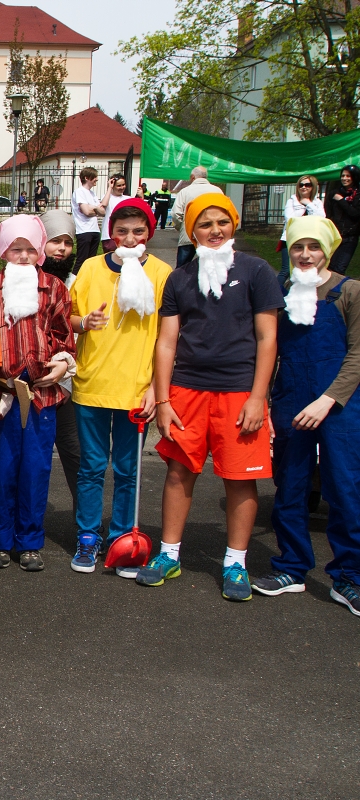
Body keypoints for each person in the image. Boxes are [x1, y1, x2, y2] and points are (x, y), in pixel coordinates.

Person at [141, 194, 284, 601]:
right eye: (204, 224)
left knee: (239, 479)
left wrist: (258, 397)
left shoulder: (257, 270)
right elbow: (166, 342)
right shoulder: (180, 278)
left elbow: (268, 338)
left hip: (239, 392)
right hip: (187, 390)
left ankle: (235, 563)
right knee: (178, 472)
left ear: (233, 224)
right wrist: (163, 400)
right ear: (192, 232)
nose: (215, 230)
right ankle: (169, 554)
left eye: (222, 221)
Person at [254, 216, 360, 615]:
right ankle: (292, 567)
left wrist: (328, 400)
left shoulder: (349, 292)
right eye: (298, 246)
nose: (305, 254)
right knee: (290, 485)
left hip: (340, 405)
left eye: (314, 247)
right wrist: (264, 401)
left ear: (327, 250)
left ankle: (349, 577)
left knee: (345, 488)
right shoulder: (281, 293)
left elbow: (358, 355)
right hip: (290, 400)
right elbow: (267, 348)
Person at [67, 198, 172, 576]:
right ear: (110, 233)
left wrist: (156, 389)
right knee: (92, 468)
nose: (130, 238)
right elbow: (68, 318)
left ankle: (123, 539)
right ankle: (87, 537)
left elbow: (167, 337)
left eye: (138, 231)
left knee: (128, 470)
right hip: (92, 385)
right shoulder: (91, 267)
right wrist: (84, 323)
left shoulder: (162, 273)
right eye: (122, 231)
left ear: (149, 234)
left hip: (136, 390)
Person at [0, 215, 76, 572]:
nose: (23, 256)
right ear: (3, 250)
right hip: (1, 396)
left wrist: (62, 364)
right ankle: (0, 537)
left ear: (40, 252)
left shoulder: (53, 287)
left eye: (30, 249)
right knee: (0, 467)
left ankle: (30, 539)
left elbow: (64, 335)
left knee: (35, 469)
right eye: (15, 248)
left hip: (40, 395)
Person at [39, 209, 82, 508]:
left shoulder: (78, 281)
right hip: (33, 384)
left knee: (75, 453)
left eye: (67, 242)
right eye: (55, 241)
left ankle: (86, 521)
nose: (61, 249)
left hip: (68, 384)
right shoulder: (25, 280)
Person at [170, 166, 224, 268]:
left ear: (192, 177)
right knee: (213, 267)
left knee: (182, 269)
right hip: (213, 235)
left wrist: (183, 227)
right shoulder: (217, 191)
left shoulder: (185, 192)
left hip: (189, 235)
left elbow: (176, 214)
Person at [278, 175, 325, 283]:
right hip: (290, 239)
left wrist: (308, 203)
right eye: (301, 185)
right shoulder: (292, 200)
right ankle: (274, 291)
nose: (304, 187)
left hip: (309, 239)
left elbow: (321, 218)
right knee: (286, 270)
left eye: (307, 185)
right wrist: (304, 209)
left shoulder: (317, 202)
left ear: (313, 186)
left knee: (305, 269)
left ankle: (299, 290)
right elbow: (290, 219)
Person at [325, 165, 360, 275]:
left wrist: (341, 201)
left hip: (350, 237)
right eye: (343, 176)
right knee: (329, 266)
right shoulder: (334, 193)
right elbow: (328, 213)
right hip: (334, 235)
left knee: (340, 268)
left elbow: (355, 214)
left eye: (348, 176)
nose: (344, 178)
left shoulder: (357, 195)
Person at [71, 167, 105, 271]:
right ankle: (73, 280)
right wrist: (96, 209)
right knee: (81, 261)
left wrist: (94, 208)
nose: (97, 179)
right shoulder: (79, 192)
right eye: (94, 177)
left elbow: (103, 212)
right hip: (84, 231)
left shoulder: (93, 194)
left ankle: (87, 280)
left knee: (91, 262)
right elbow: (86, 211)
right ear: (86, 178)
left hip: (95, 230)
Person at [100, 173, 128, 253]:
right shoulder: (107, 197)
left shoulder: (127, 198)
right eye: (119, 185)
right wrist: (109, 188)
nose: (122, 187)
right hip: (109, 235)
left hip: (124, 235)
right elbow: (104, 204)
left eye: (123, 185)